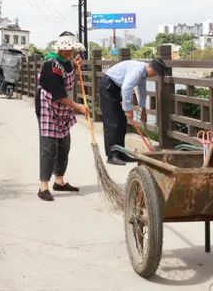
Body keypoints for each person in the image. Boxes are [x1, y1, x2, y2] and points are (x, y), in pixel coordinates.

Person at [35, 32, 89, 202]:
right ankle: (43, 186)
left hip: (62, 108)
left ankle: (59, 180)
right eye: (67, 50)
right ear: (60, 49)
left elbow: (68, 71)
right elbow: (59, 94)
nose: (70, 53)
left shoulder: (66, 62)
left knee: (64, 145)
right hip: (49, 106)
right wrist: (77, 106)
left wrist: (75, 64)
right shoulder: (51, 65)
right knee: (49, 146)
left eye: (72, 50)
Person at [98, 57, 166, 165]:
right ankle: (112, 155)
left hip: (115, 89)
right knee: (112, 123)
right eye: (154, 73)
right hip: (108, 86)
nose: (154, 76)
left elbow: (142, 90)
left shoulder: (143, 73)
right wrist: (128, 109)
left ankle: (121, 153)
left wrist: (142, 108)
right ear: (150, 67)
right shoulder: (138, 69)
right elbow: (126, 88)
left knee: (121, 122)